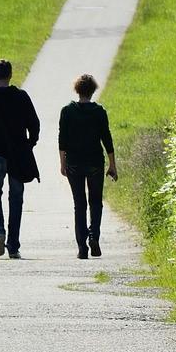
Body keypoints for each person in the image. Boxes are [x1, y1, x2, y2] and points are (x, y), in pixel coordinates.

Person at [0, 59, 40, 259]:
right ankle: (13, 245)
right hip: (18, 154)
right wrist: (30, 143)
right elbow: (34, 124)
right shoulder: (21, 96)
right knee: (16, 199)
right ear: (11, 75)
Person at [58, 74, 118, 259]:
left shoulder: (67, 111)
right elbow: (106, 139)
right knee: (95, 202)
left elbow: (62, 140)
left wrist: (62, 164)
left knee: (79, 204)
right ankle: (94, 236)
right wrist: (112, 164)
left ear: (77, 89)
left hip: (74, 162)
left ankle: (82, 247)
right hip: (94, 162)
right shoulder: (99, 111)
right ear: (93, 90)